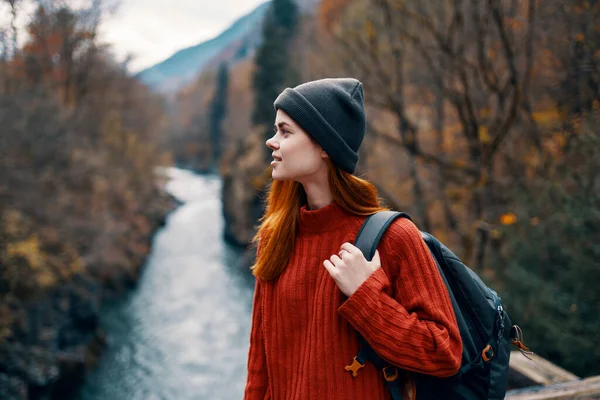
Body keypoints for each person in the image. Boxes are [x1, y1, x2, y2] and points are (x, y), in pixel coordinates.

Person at [243, 78, 462, 400]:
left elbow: (443, 353)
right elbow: (259, 362)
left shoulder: (394, 238)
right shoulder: (274, 237)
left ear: (323, 146)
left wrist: (366, 297)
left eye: (285, 132)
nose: (271, 142)